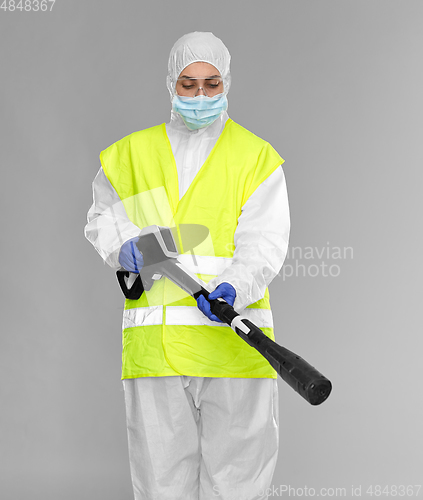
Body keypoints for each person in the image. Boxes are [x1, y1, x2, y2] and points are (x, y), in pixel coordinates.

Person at [85, 31, 290, 500]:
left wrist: (234, 285)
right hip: (156, 347)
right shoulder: (130, 155)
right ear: (170, 85)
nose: (200, 95)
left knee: (236, 483)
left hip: (234, 342)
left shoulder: (255, 158)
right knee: (162, 485)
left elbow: (264, 242)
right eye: (189, 84)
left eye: (211, 84)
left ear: (227, 84)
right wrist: (123, 249)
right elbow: (102, 218)